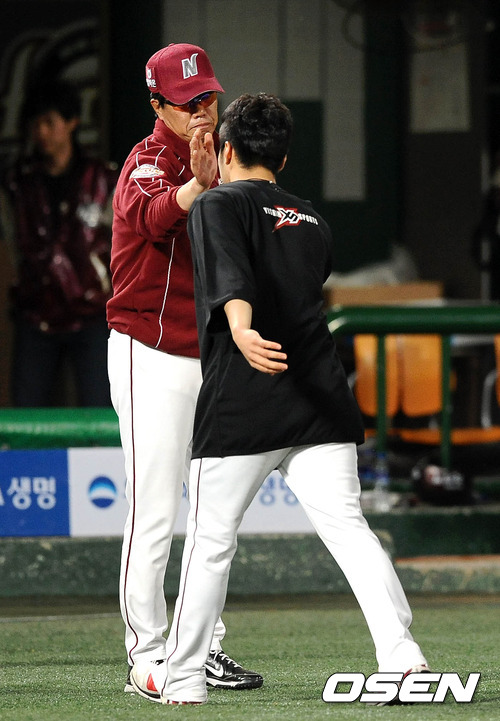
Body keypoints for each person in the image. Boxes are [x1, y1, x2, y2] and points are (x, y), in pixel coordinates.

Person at [158, 93, 430, 705]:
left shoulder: (216, 203)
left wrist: (240, 327)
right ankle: (404, 657)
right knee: (350, 531)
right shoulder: (311, 220)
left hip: (245, 399)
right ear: (282, 158)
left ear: (226, 149)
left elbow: (231, 275)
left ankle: (184, 678)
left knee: (210, 543)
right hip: (319, 400)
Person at [106, 43, 263, 702]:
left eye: (207, 97)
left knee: (212, 514)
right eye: (186, 100)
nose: (201, 109)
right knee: (154, 512)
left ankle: (201, 645)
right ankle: (146, 655)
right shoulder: (145, 161)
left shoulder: (228, 162)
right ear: (157, 104)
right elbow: (152, 217)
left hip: (209, 357)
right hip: (149, 353)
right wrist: (199, 186)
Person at [0, 80, 117, 407]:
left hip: (92, 313)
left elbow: (119, 245)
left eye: (49, 122)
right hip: (35, 313)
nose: (42, 132)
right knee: (27, 413)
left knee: (99, 411)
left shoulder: (103, 178)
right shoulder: (18, 183)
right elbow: (11, 243)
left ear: (71, 122)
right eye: (36, 124)